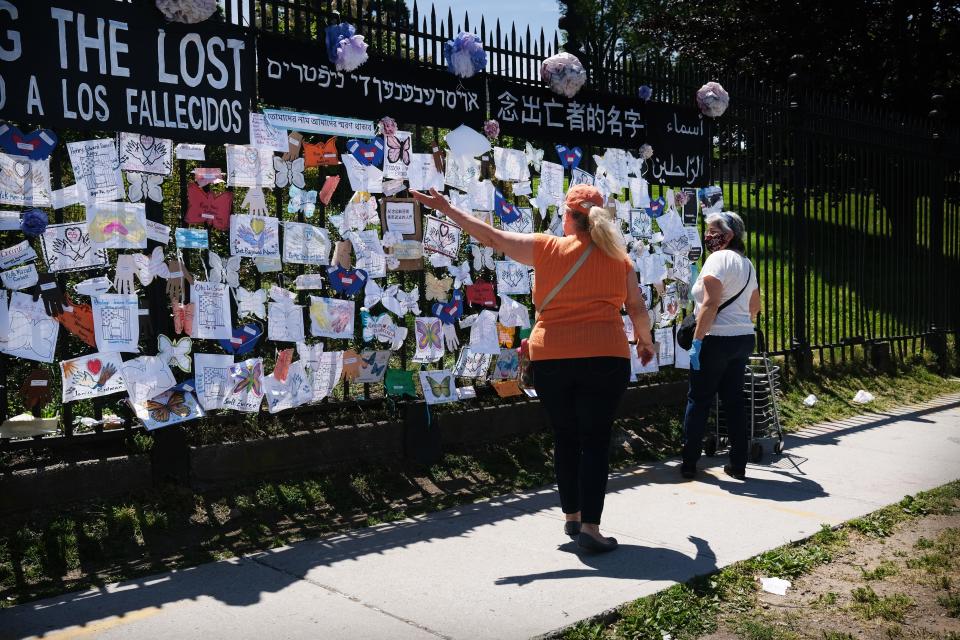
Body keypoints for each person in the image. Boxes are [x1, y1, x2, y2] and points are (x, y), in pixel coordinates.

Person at [411, 185, 655, 553]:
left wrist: (446, 206)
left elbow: (490, 236)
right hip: (606, 354)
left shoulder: (546, 247)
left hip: (552, 356)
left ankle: (572, 516)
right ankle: (591, 526)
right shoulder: (620, 259)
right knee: (595, 441)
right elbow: (636, 307)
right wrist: (646, 340)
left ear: (568, 216)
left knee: (566, 437)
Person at [681, 211, 760, 481]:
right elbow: (755, 306)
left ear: (728, 235)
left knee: (699, 399)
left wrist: (698, 342)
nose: (707, 236)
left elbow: (710, 304)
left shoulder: (716, 259)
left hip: (716, 340)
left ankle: (690, 462)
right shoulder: (747, 263)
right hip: (743, 339)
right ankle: (738, 463)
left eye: (713, 231)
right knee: (734, 401)